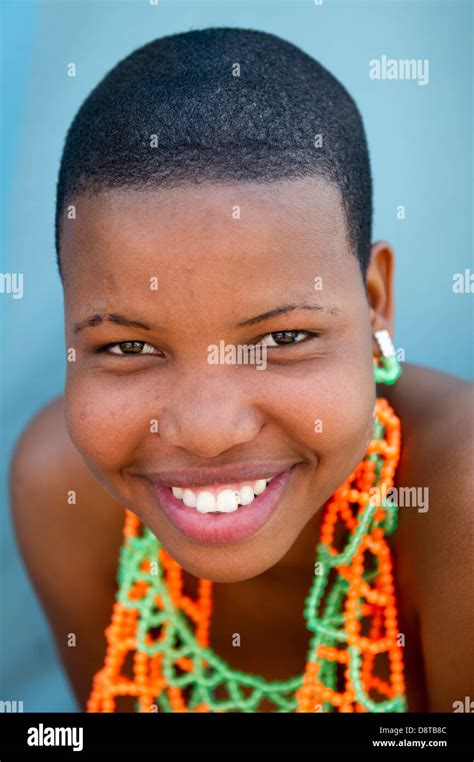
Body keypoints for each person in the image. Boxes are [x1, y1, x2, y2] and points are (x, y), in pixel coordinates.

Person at [10, 28, 473, 713]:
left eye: (284, 336)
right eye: (130, 348)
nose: (207, 431)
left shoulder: (458, 498)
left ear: (376, 303)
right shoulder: (58, 487)